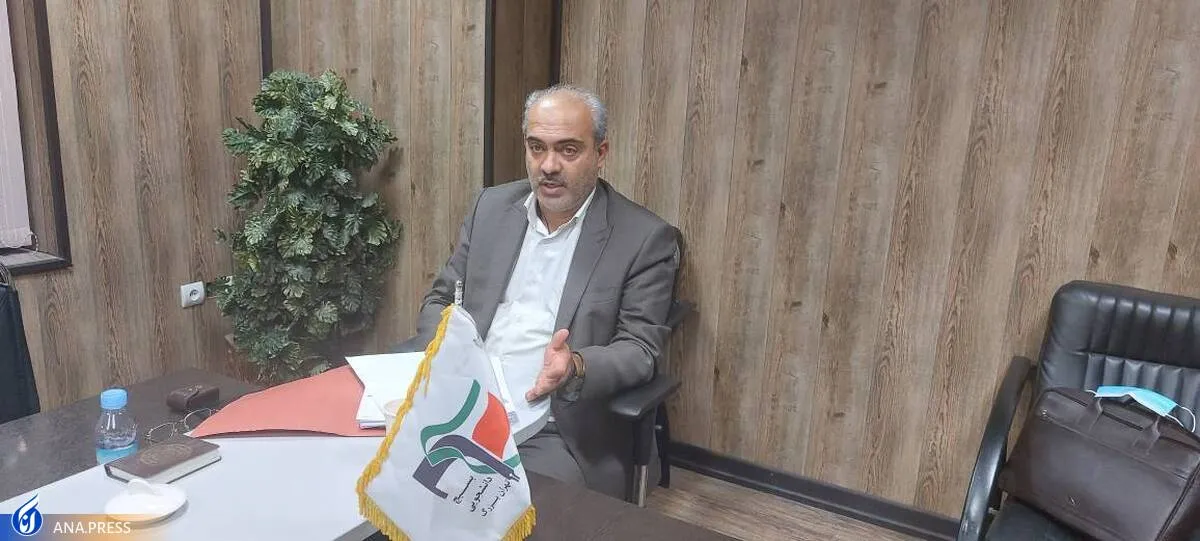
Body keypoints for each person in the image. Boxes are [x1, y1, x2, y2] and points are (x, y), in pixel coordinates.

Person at [403, 85, 680, 499]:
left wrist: (575, 367)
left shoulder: (642, 238)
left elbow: (640, 350)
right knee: (377, 484)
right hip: (461, 403)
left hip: (554, 426)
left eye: (568, 150)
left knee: (482, 506)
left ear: (600, 153)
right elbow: (441, 298)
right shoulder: (491, 208)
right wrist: (447, 348)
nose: (548, 165)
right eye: (537, 148)